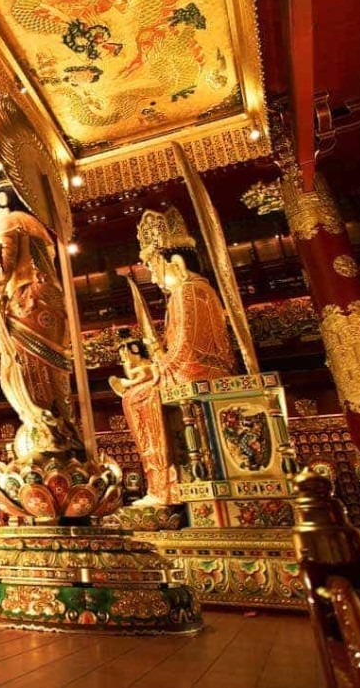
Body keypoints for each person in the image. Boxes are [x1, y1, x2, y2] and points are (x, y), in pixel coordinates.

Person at [112, 207, 236, 504]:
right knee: (137, 388)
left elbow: (184, 351)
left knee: (137, 397)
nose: (155, 278)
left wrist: (154, 369)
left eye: (156, 268)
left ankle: (164, 485)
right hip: (202, 368)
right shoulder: (202, 290)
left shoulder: (187, 292)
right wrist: (155, 362)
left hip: (194, 371)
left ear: (176, 263)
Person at [0, 169, 84, 464]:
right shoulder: (38, 226)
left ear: (1, 200)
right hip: (53, 305)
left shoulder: (10, 222)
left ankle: (47, 432)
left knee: (23, 367)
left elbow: (0, 273)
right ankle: (65, 428)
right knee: (53, 366)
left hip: (27, 301)